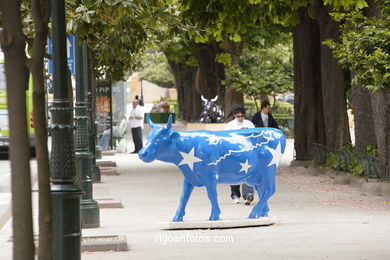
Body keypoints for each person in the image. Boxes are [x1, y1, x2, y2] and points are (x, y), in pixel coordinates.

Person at [225, 104, 255, 205]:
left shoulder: (249, 124)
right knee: (235, 173)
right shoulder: (230, 125)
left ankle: (248, 194)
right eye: (238, 116)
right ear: (234, 116)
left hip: (247, 152)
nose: (241, 118)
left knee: (248, 172)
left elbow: (254, 136)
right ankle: (235, 194)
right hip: (234, 152)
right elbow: (226, 139)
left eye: (242, 116)